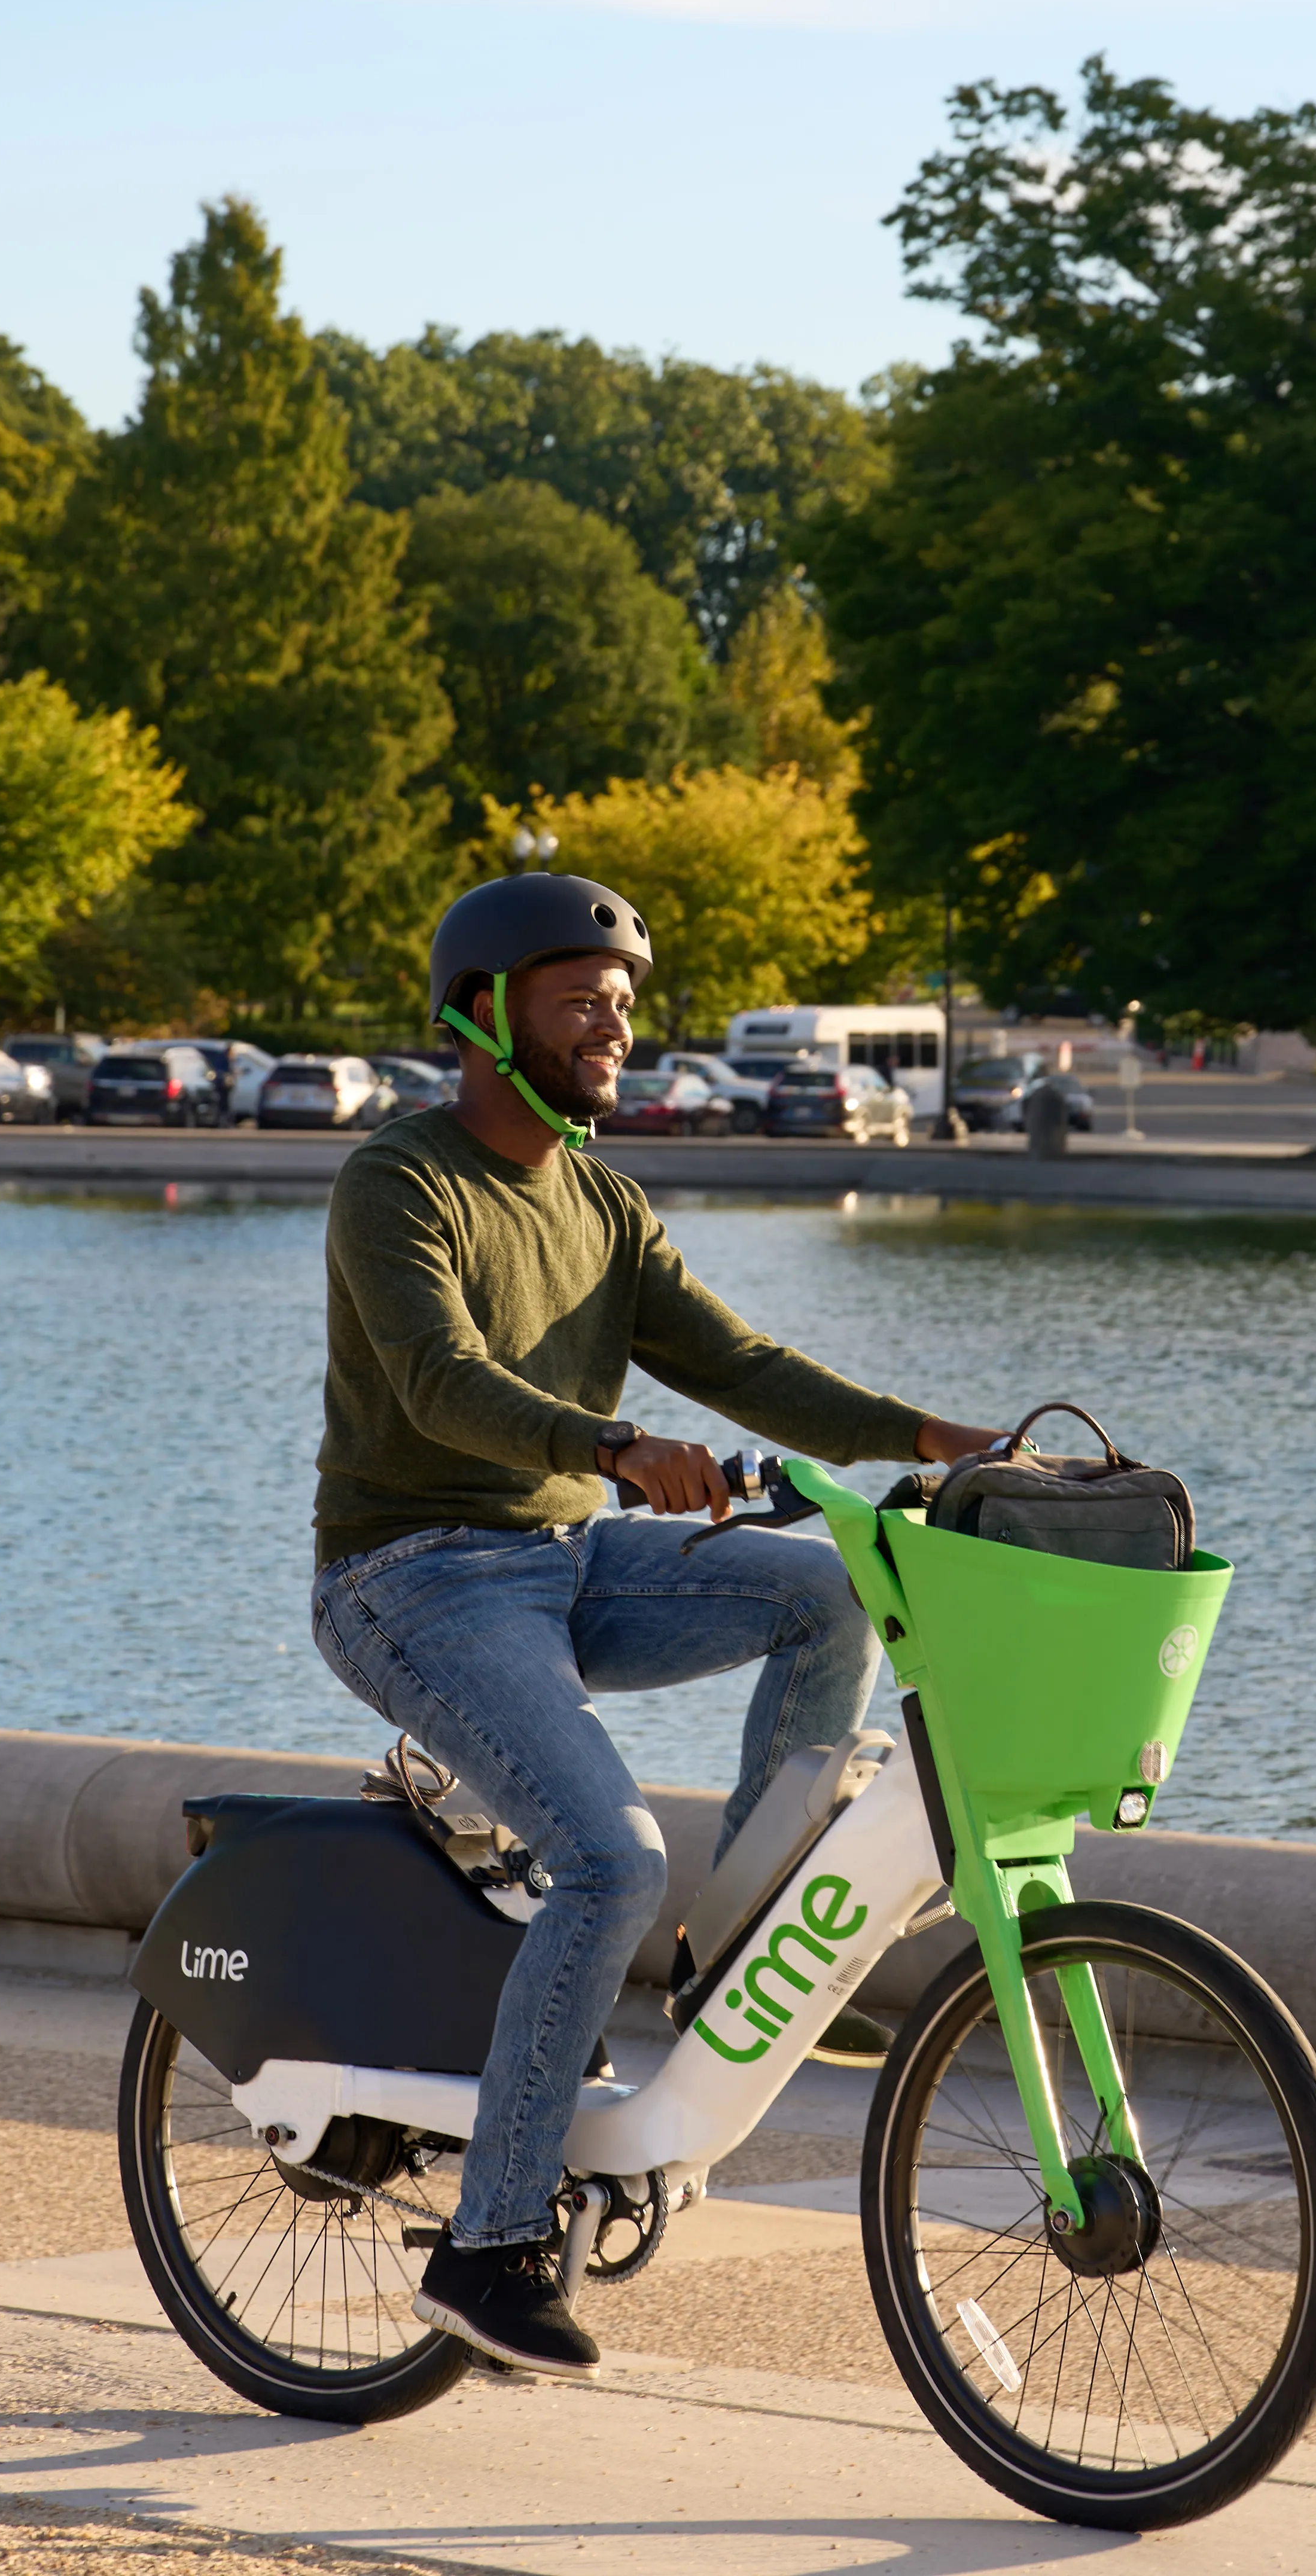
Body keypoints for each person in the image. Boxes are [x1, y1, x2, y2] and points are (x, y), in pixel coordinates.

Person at [311, 871, 1011, 2379]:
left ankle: (739, 1948)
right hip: (412, 1576)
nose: (614, 1028)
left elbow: (742, 1366)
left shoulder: (606, 1204)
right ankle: (490, 2247)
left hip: (566, 1561)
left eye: (624, 1005)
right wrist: (617, 1447)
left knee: (832, 1589)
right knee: (610, 1858)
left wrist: (935, 1438)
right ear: (484, 1014)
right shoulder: (400, 1181)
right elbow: (441, 1384)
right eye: (581, 1002)